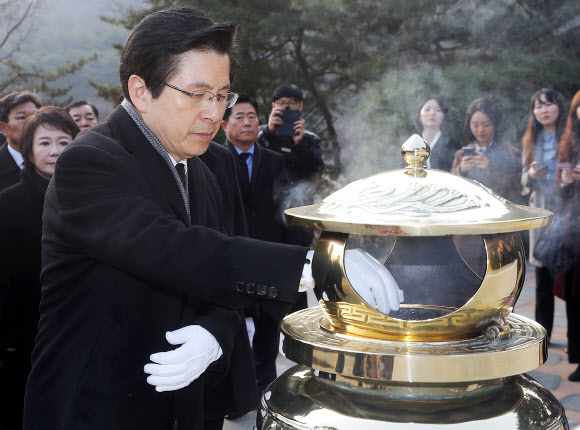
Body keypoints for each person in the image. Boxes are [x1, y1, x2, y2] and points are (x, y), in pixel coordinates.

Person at [23, 7, 401, 430]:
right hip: (93, 405)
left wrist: (214, 334)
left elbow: (225, 273)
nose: (213, 113)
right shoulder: (90, 160)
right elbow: (170, 247)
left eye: (222, 95)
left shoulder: (202, 167)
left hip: (185, 407)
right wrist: (314, 265)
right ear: (141, 90)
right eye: (197, 94)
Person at [0, 107, 79, 430]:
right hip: (27, 329)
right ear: (29, 150)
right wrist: (7, 331)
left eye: (64, 142)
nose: (55, 151)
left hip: (79, 326)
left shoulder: (90, 197)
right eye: (44, 143)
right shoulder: (7, 202)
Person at [222, 94, 289, 399]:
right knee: (232, 326)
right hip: (232, 254)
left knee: (267, 328)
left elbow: (284, 209)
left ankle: (265, 392)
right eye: (239, 116)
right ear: (224, 125)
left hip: (268, 255)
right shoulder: (213, 160)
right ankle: (236, 397)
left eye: (251, 116)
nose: (247, 122)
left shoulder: (275, 161)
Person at [521, 89, 566, 343]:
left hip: (568, 209)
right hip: (541, 210)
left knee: (570, 280)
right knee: (542, 281)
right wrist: (532, 176)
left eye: (549, 104)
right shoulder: (530, 140)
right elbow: (523, 180)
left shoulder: (571, 137)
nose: (544, 110)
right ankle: (543, 336)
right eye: (538, 106)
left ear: (559, 107)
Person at [553, 90, 580, 382]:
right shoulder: (570, 143)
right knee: (575, 297)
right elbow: (557, 192)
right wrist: (564, 181)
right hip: (574, 230)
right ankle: (578, 357)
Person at [451, 98, 522, 203]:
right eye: (475, 125)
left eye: (486, 125)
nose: (480, 130)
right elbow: (451, 189)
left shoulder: (510, 152)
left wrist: (489, 168)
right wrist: (461, 170)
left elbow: (516, 188)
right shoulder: (462, 154)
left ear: (495, 124)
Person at [258, 84, 324, 182]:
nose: (286, 107)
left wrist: (300, 143)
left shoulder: (311, 139)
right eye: (281, 103)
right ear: (274, 106)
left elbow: (317, 171)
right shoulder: (258, 134)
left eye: (292, 102)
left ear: (300, 106)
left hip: (299, 194)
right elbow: (246, 161)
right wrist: (268, 133)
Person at [0, 91, 42, 191]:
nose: (31, 122)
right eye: (22, 117)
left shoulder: (56, 159)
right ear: (4, 128)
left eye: (35, 116)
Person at [416, 96, 461, 171]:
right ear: (419, 116)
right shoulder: (411, 144)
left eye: (438, 110)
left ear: (443, 116)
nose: (432, 113)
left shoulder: (453, 144)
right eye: (427, 109)